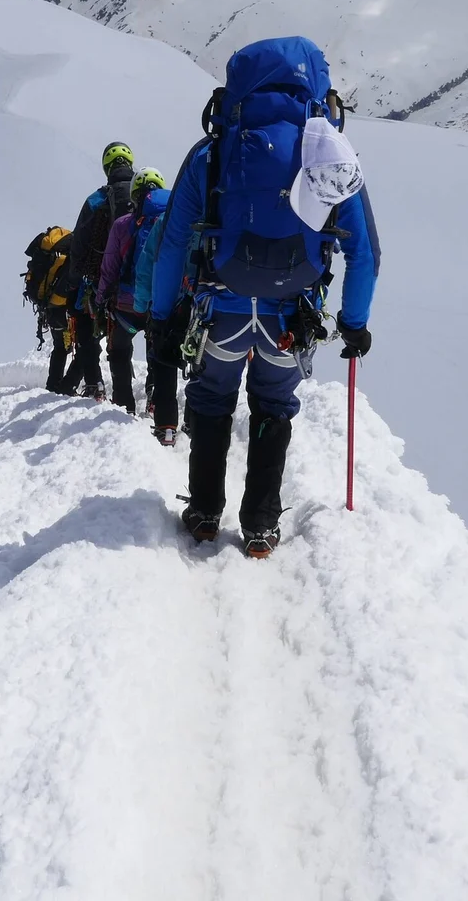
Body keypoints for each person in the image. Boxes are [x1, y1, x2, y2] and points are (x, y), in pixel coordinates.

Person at [149, 36, 378, 558]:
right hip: (289, 317)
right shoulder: (331, 157)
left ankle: (205, 512)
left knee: (210, 401)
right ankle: (259, 525)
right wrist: (354, 321)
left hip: (221, 308)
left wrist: (163, 317)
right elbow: (364, 254)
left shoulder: (212, 152)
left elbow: (171, 242)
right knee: (274, 404)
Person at [54, 142, 136, 399]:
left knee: (87, 327)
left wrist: (73, 282)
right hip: (141, 280)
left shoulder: (96, 199)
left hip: (100, 279)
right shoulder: (146, 194)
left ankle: (94, 383)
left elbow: (79, 245)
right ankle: (154, 394)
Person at [96, 169, 168, 415]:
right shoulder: (171, 221)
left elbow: (109, 267)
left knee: (119, 349)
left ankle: (123, 403)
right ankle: (155, 398)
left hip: (126, 306)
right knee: (156, 350)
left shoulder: (122, 225)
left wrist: (100, 298)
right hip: (160, 304)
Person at [130, 201, 180, 446]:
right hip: (207, 300)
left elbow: (146, 267)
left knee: (164, 361)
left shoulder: (166, 221)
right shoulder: (222, 212)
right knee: (203, 363)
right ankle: (196, 423)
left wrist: (141, 306)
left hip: (167, 303)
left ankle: (166, 426)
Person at [22, 226, 77, 393]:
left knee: (61, 347)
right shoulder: (74, 252)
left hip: (50, 306)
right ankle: (66, 387)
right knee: (80, 346)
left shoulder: (58, 252)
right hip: (63, 306)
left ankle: (54, 386)